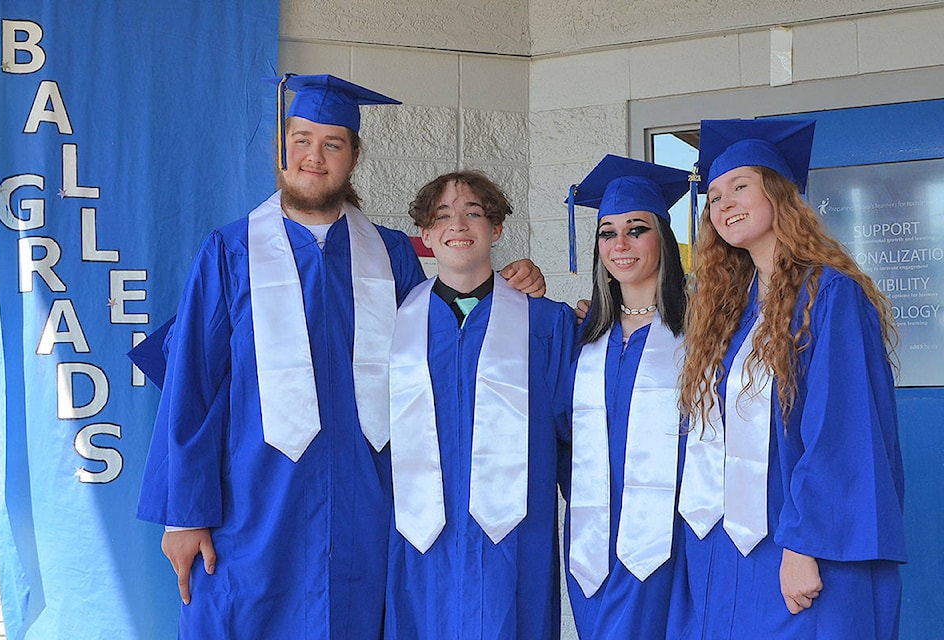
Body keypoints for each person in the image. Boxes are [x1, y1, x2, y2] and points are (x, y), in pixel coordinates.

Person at [135, 74, 545, 640]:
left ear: (353, 156)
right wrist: (183, 513)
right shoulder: (231, 251)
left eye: (332, 143)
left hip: (366, 502)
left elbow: (442, 346)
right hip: (255, 504)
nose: (314, 156)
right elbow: (192, 388)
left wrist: (506, 290)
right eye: (301, 139)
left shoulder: (390, 251)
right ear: (281, 150)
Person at [677, 118, 907, 639]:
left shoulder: (829, 296)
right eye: (713, 196)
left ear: (780, 193)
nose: (724, 204)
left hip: (797, 545)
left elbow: (840, 432)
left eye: (740, 186)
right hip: (727, 549)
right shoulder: (728, 315)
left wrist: (804, 546)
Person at [384, 170, 575, 640]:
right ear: (425, 236)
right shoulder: (393, 323)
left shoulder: (546, 322)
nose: (459, 225)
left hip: (514, 534)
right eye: (443, 216)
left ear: (497, 229)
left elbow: (576, 435)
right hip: (419, 533)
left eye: (474, 213)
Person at [563, 156, 690, 639]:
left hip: (673, 530)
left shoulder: (702, 330)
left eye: (637, 229)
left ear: (663, 237)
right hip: (594, 534)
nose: (620, 244)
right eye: (606, 232)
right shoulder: (581, 336)